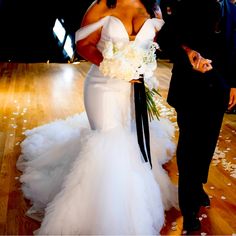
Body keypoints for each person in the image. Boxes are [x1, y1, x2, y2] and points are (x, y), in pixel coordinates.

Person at [17, 0, 178, 234]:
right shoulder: (102, 5)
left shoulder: (152, 7)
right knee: (108, 141)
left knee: (126, 142)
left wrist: (141, 66)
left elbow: (152, 44)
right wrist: (116, 67)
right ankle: (102, 214)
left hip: (134, 88)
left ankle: (127, 201)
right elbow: (83, 45)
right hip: (103, 86)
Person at [157, 0, 236, 233]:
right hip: (189, 88)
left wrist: (234, 84)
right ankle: (189, 206)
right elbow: (165, 39)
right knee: (190, 146)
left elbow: (235, 48)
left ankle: (198, 184)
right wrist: (189, 53)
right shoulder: (188, 4)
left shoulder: (232, 10)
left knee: (208, 143)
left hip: (219, 89)